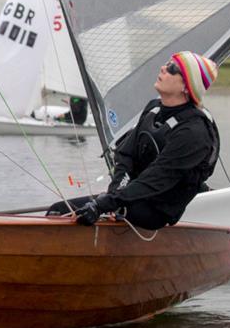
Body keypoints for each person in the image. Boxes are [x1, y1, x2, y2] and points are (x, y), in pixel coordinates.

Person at [48, 51, 220, 230]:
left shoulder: (194, 133)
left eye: (172, 68)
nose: (163, 68)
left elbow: (157, 178)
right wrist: (113, 195)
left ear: (187, 86)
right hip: (129, 196)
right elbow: (125, 155)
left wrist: (106, 204)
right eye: (166, 63)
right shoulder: (154, 108)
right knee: (58, 210)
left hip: (156, 211)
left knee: (70, 213)